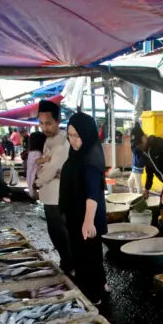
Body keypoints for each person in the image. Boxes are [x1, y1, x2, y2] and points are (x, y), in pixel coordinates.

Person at [59, 112, 107, 304]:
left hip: (86, 215)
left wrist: (88, 221)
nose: (74, 140)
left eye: (77, 136)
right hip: (76, 213)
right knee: (92, 252)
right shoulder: (78, 154)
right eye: (70, 135)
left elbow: (93, 193)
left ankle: (92, 295)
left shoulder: (91, 157)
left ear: (87, 134)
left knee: (85, 255)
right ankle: (100, 284)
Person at [34, 100, 73, 274]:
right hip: (50, 194)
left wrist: (37, 180)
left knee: (60, 232)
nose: (44, 127)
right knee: (55, 230)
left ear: (58, 121)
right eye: (41, 123)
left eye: (48, 123)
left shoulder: (62, 140)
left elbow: (50, 170)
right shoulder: (49, 139)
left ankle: (70, 264)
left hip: (58, 194)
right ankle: (67, 262)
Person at [25, 131, 46, 199]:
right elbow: (36, 161)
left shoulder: (31, 151)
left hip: (31, 174)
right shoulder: (36, 152)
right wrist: (46, 159)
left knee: (33, 189)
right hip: (34, 175)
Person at [128, 124, 146, 194]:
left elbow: (134, 150)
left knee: (138, 183)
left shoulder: (138, 141)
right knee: (130, 182)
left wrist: (132, 141)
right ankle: (132, 196)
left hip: (138, 164)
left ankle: (139, 199)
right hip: (137, 163)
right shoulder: (141, 138)